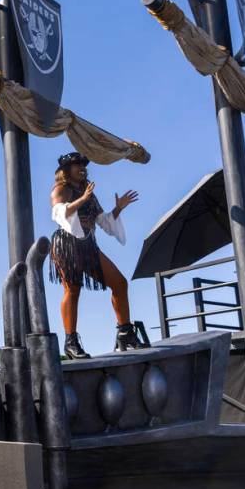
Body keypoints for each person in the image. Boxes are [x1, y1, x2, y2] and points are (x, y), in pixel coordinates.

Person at [49, 152, 139, 357]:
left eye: (83, 165)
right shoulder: (61, 189)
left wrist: (118, 209)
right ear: (65, 170)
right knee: (72, 290)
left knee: (119, 283)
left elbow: (104, 222)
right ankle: (71, 342)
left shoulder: (87, 191)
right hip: (66, 244)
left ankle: (125, 331)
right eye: (77, 165)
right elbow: (59, 213)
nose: (82, 168)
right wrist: (82, 199)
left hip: (89, 244)